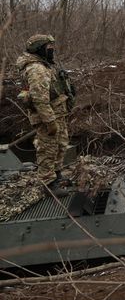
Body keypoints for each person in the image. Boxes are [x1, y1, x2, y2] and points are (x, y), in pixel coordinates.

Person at [16, 34, 74, 197]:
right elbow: (39, 99)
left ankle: (56, 175)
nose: (52, 50)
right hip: (47, 116)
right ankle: (48, 184)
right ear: (40, 49)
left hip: (57, 113)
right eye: (49, 48)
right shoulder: (37, 69)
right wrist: (49, 121)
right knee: (48, 148)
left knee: (61, 144)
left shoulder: (45, 65)